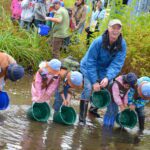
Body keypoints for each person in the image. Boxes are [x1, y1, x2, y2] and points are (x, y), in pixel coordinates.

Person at [79, 19, 127, 125]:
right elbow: (91, 62)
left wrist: (107, 77)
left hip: (104, 70)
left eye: (118, 28)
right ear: (108, 29)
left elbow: (117, 64)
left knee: (107, 85)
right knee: (88, 88)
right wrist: (95, 82)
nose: (115, 31)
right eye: (113, 28)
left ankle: (93, 108)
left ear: (120, 30)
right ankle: (82, 120)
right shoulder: (98, 42)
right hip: (88, 67)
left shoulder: (122, 44)